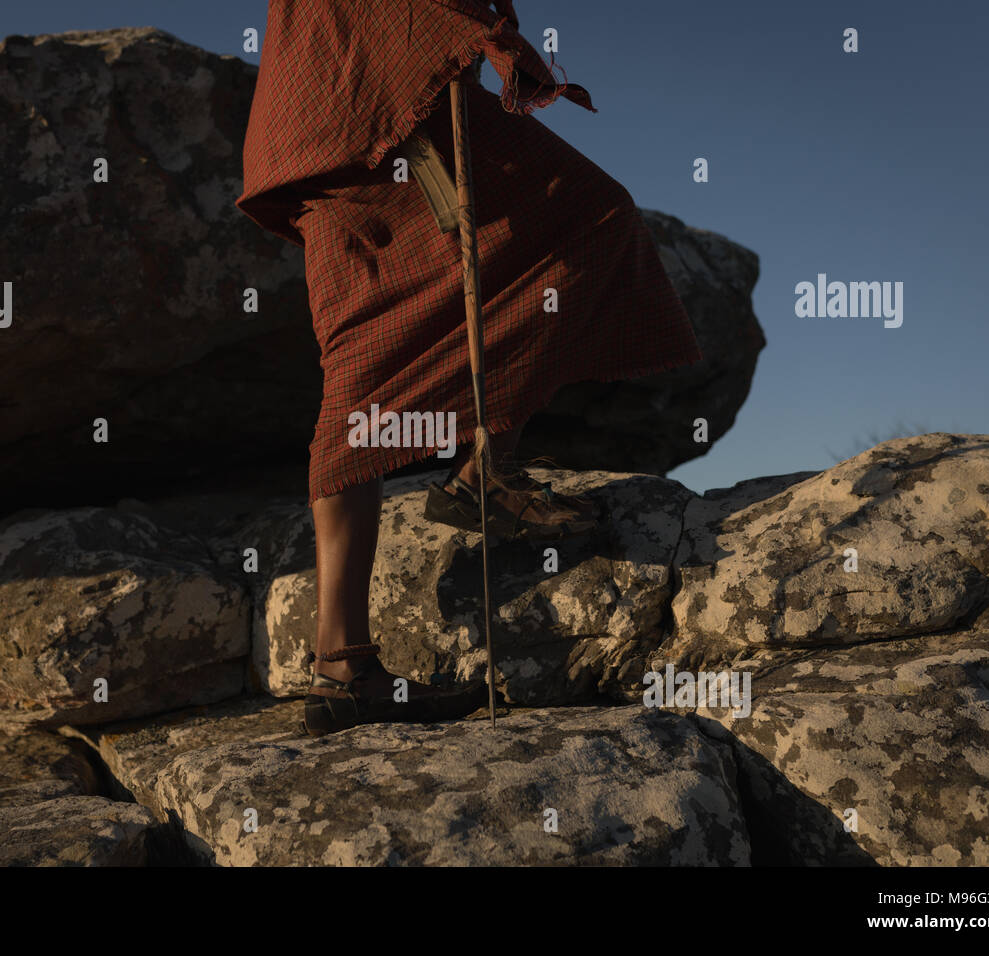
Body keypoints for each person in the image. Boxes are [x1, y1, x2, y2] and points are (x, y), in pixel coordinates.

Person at [235, 0, 703, 736]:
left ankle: (342, 662)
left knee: (366, 340)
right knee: (589, 214)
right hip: (374, 97)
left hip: (324, 107)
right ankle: (476, 482)